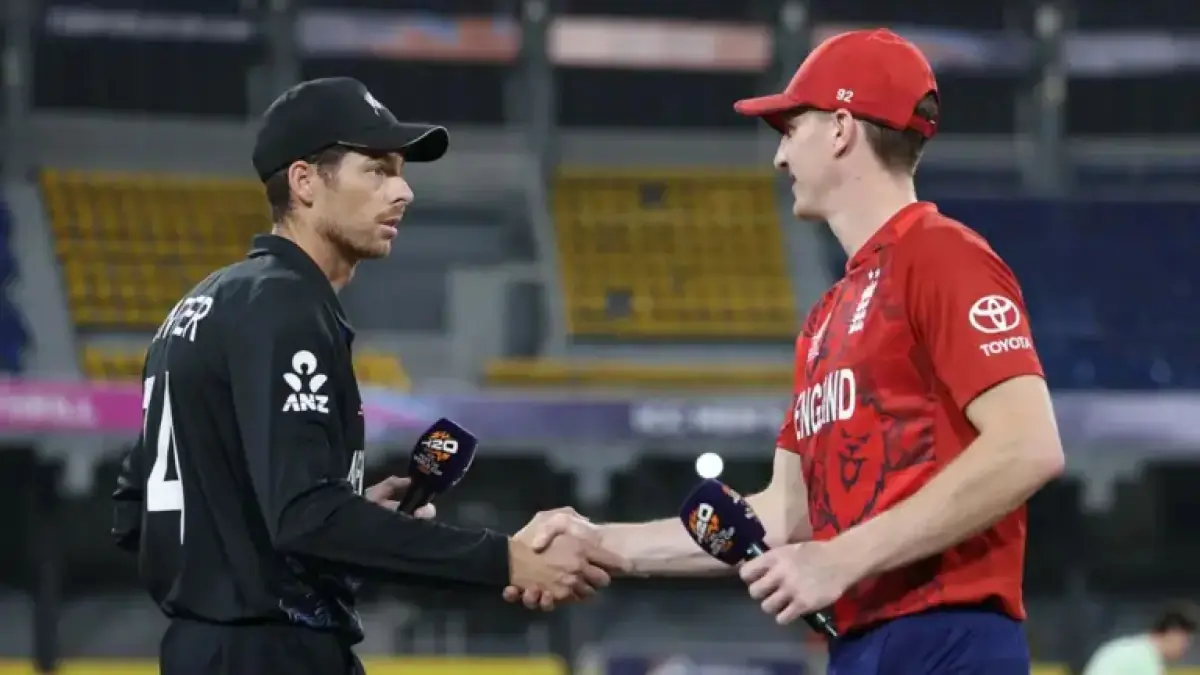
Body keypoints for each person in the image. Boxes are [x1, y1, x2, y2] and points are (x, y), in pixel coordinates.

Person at [504, 29, 1065, 674]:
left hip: (947, 639)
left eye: (791, 129)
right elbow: (781, 514)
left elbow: (1028, 446)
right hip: (861, 644)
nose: (778, 156)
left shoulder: (941, 255)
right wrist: (602, 543)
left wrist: (841, 558)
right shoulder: (826, 318)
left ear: (841, 129)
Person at [111, 76, 627, 675]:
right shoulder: (285, 306)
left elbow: (134, 511)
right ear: (305, 181)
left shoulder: (205, 302)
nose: (403, 191)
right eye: (377, 170)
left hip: (208, 649)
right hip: (270, 654)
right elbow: (305, 519)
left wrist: (341, 515)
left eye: (400, 172)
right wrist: (506, 560)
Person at [1083, 604, 1198, 675]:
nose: (1185, 648)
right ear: (1173, 633)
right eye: (1185, 641)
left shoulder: (1131, 648)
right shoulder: (1145, 659)